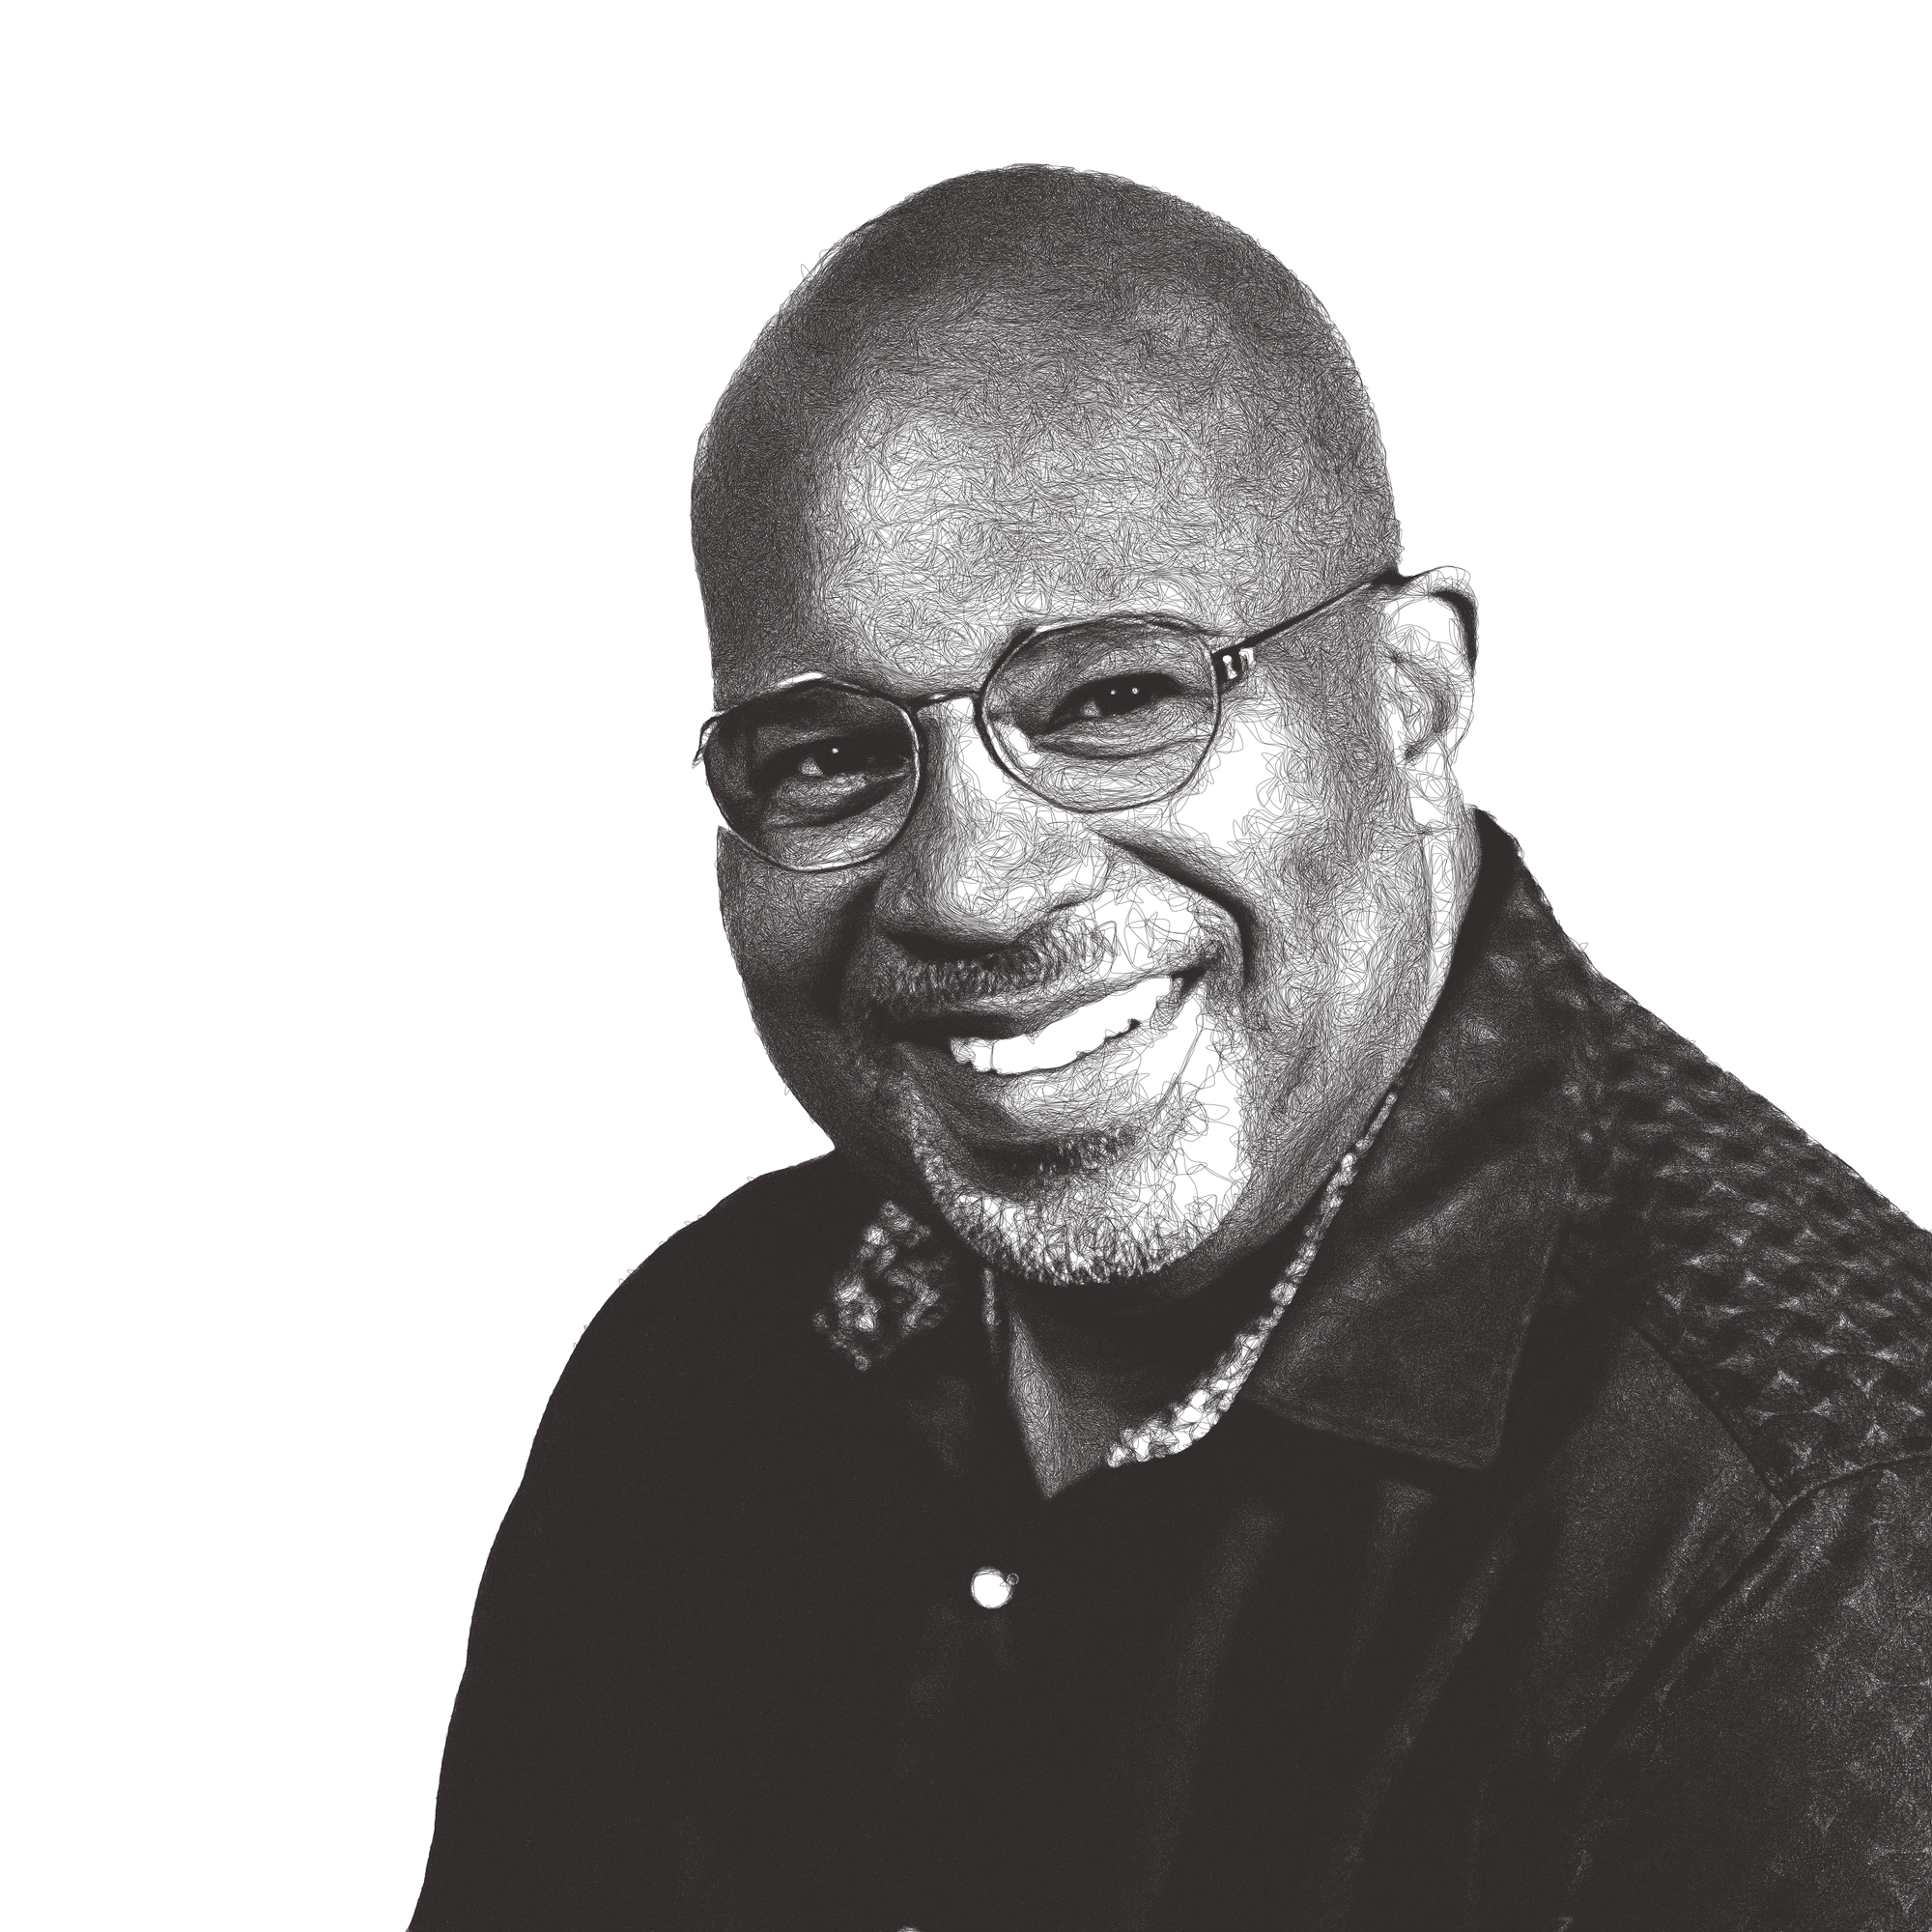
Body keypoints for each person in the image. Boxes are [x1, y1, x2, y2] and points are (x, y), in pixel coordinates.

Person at [409, 167, 1932, 1931]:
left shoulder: (1816, 1552)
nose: (971, 889)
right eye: (827, 754)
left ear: (1412, 705)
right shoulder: (699, 1368)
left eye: (1118, 698)